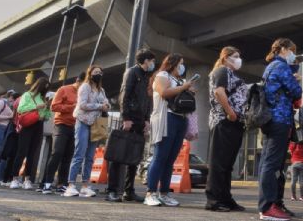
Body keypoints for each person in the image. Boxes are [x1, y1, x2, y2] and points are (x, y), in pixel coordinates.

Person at [258, 38, 303, 221]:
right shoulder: (280, 66)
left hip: (271, 119)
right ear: (283, 49)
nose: (293, 54)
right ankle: (267, 208)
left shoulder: (272, 66)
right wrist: (295, 79)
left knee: (271, 163)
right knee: (271, 164)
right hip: (279, 119)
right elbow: (296, 92)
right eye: (291, 50)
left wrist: (292, 69)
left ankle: (272, 204)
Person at [145, 53, 196, 207]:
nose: (182, 66)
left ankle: (164, 193)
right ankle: (150, 193)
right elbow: (164, 93)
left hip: (180, 119)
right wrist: (184, 87)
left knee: (170, 159)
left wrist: (188, 90)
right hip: (166, 118)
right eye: (181, 63)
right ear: (173, 64)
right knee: (160, 156)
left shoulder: (179, 80)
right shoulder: (162, 75)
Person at [106, 49, 156, 203]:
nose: (153, 63)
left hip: (141, 120)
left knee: (134, 156)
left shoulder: (147, 76)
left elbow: (148, 99)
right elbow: (125, 95)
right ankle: (112, 190)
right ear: (145, 60)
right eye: (152, 60)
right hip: (130, 119)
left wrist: (147, 119)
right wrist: (126, 118)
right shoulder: (132, 72)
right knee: (119, 156)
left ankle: (129, 191)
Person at [205, 47, 248, 212]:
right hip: (224, 121)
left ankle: (225, 198)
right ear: (225, 58)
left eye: (239, 56)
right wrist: (230, 113)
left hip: (234, 123)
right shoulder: (221, 71)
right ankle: (214, 200)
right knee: (219, 163)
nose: (238, 59)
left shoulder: (232, 74)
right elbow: (219, 92)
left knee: (227, 164)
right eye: (235, 56)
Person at [64, 66, 109, 198]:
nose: (98, 74)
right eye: (96, 72)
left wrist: (106, 106)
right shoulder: (85, 87)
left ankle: (85, 185)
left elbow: (106, 103)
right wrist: (100, 106)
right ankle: (70, 185)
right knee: (79, 153)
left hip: (95, 125)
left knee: (90, 157)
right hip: (83, 122)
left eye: (100, 72)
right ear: (90, 74)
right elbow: (82, 104)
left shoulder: (102, 90)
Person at [41, 72, 85, 194]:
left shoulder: (84, 94)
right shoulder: (64, 89)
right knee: (57, 152)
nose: (84, 87)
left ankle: (61, 183)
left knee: (68, 156)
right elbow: (54, 107)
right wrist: (72, 107)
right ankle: (46, 183)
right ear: (78, 80)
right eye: (83, 83)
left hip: (76, 126)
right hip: (61, 125)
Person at [10, 77, 52, 190]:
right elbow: (21, 109)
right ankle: (14, 178)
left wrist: (47, 109)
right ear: (39, 86)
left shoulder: (43, 98)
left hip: (39, 125)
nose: (45, 90)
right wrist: (37, 106)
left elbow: (47, 116)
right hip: (28, 125)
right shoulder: (27, 95)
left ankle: (27, 179)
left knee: (32, 154)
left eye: (47, 88)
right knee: (21, 152)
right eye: (45, 87)